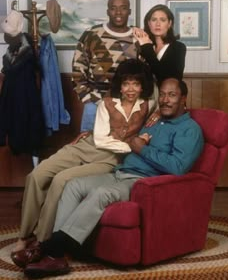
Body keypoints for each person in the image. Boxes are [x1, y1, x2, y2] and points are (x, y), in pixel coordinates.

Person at [15, 77, 204, 278]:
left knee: (100, 193)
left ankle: (50, 249)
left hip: (142, 182)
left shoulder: (190, 130)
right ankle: (58, 253)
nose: (165, 99)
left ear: (184, 98)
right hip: (119, 172)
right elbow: (126, 132)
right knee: (73, 185)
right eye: (163, 94)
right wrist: (91, 133)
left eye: (172, 95)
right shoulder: (155, 120)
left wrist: (142, 149)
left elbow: (178, 167)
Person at [11, 59, 154, 256]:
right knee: (36, 175)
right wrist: (132, 145)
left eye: (136, 84)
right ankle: (24, 235)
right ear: (120, 85)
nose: (131, 89)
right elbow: (102, 139)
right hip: (88, 146)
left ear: (143, 86)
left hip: (108, 159)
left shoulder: (149, 105)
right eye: (126, 83)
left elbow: (168, 94)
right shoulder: (107, 103)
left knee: (61, 180)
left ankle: (42, 239)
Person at [72, 0, 138, 132]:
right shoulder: (91, 35)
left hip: (128, 106)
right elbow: (78, 69)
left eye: (123, 8)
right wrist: (87, 99)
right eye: (113, 8)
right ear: (108, 11)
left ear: (129, 11)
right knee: (89, 147)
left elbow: (144, 75)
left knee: (123, 149)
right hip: (95, 104)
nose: (118, 12)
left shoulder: (138, 37)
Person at [133, 4, 186, 85]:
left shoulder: (178, 47)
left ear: (169, 23)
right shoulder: (142, 45)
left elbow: (168, 78)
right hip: (144, 95)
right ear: (149, 23)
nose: (158, 24)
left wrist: (147, 48)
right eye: (154, 20)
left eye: (162, 20)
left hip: (165, 95)